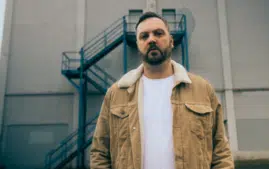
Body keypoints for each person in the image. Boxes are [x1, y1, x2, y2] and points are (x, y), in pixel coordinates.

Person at [90, 12, 234, 169]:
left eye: (158, 33)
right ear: (138, 45)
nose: (151, 39)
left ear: (171, 41)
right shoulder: (117, 93)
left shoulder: (202, 89)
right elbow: (99, 153)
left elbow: (221, 151)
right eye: (144, 36)